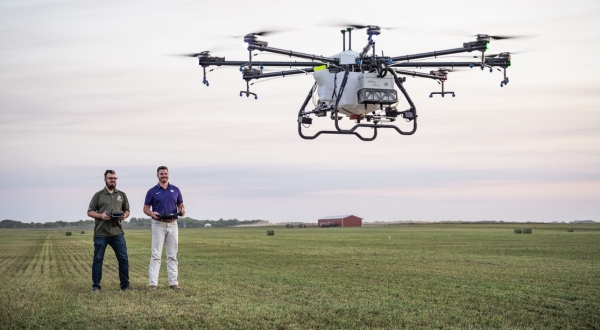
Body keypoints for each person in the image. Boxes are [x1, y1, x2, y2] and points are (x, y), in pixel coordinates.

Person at [87, 169, 135, 292]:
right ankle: (96, 286)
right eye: (110, 178)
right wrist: (101, 216)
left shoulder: (122, 195)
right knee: (98, 259)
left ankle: (125, 285)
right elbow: (90, 212)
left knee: (123, 258)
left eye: (114, 178)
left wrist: (125, 216)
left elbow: (127, 210)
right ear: (105, 180)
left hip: (117, 232)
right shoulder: (98, 195)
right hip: (101, 233)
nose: (113, 180)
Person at [143, 166, 186, 291]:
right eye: (161, 174)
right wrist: (151, 213)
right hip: (158, 224)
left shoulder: (176, 190)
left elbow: (181, 205)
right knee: (156, 254)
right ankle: (153, 284)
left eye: (166, 174)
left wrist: (182, 210)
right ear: (157, 175)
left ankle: (174, 283)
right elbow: (145, 208)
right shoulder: (152, 191)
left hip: (173, 224)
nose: (164, 176)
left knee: (172, 254)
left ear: (168, 175)